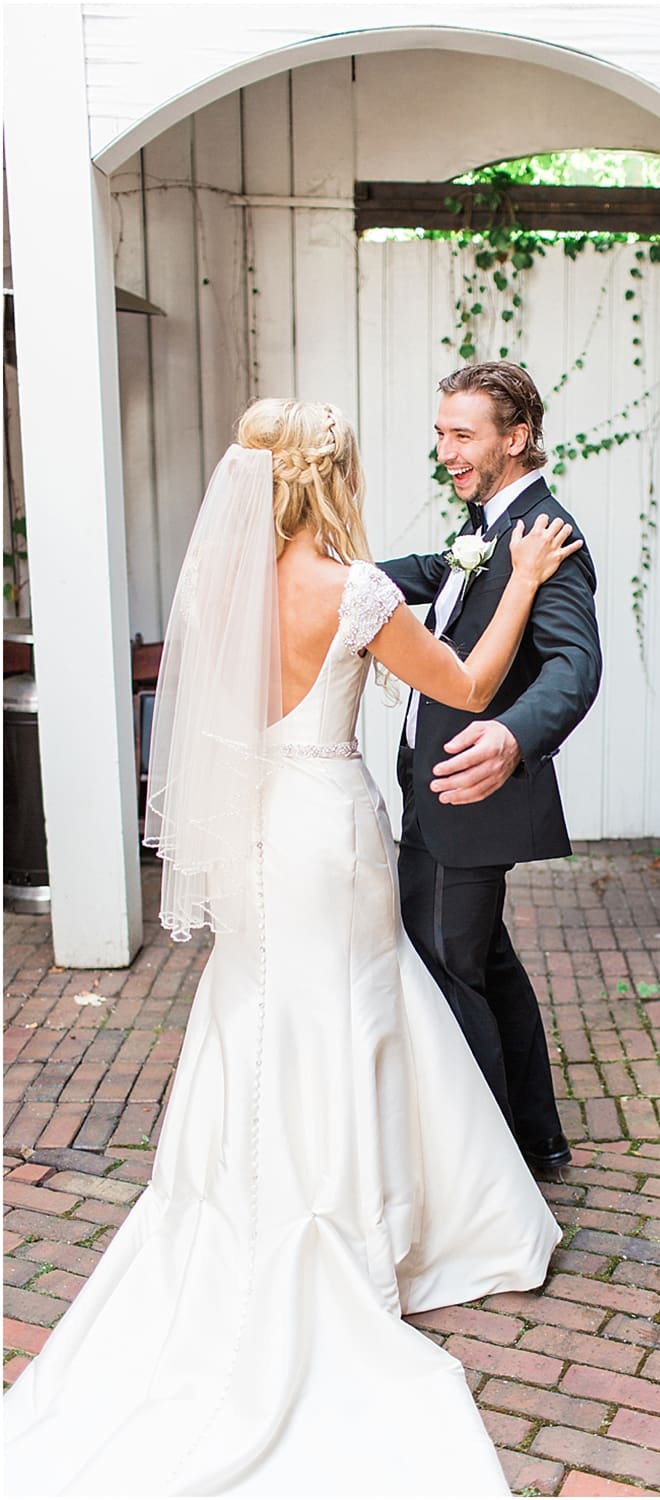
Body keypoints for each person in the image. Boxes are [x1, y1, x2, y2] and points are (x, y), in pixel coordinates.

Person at [4, 399, 580, 1494]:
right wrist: (519, 582)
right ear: (331, 479)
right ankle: (357, 1223)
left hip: (259, 832)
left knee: (261, 1003)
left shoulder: (224, 588)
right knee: (351, 1005)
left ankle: (246, 1199)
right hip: (329, 829)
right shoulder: (353, 591)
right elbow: (464, 687)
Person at [376, 362, 602, 1172]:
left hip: (470, 790)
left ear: (516, 437)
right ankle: (536, 1137)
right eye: (441, 433)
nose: (446, 451)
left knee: (447, 964)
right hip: (432, 785)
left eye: (463, 435)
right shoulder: (491, 524)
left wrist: (510, 736)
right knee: (484, 961)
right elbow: (441, 574)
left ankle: (485, 1169)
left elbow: (574, 667)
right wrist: (338, 579)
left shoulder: (549, 536)